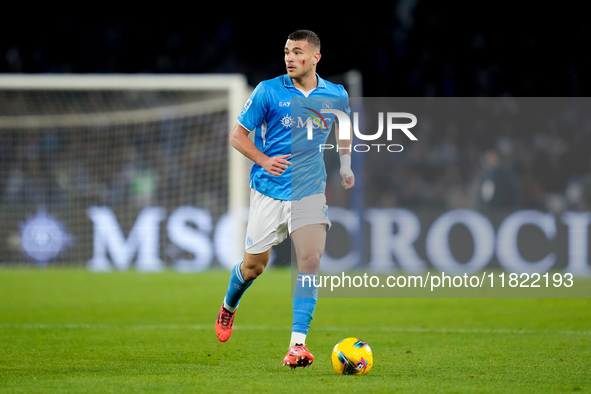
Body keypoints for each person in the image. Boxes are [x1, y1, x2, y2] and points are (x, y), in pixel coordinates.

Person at [215, 29, 354, 369]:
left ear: (315, 57)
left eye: (297, 52)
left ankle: (297, 346)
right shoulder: (268, 90)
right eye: (287, 52)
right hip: (268, 189)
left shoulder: (335, 95)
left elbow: (344, 128)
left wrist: (347, 165)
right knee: (253, 267)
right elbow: (237, 136)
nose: (290, 58)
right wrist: (263, 160)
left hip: (309, 190)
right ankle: (229, 306)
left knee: (309, 262)